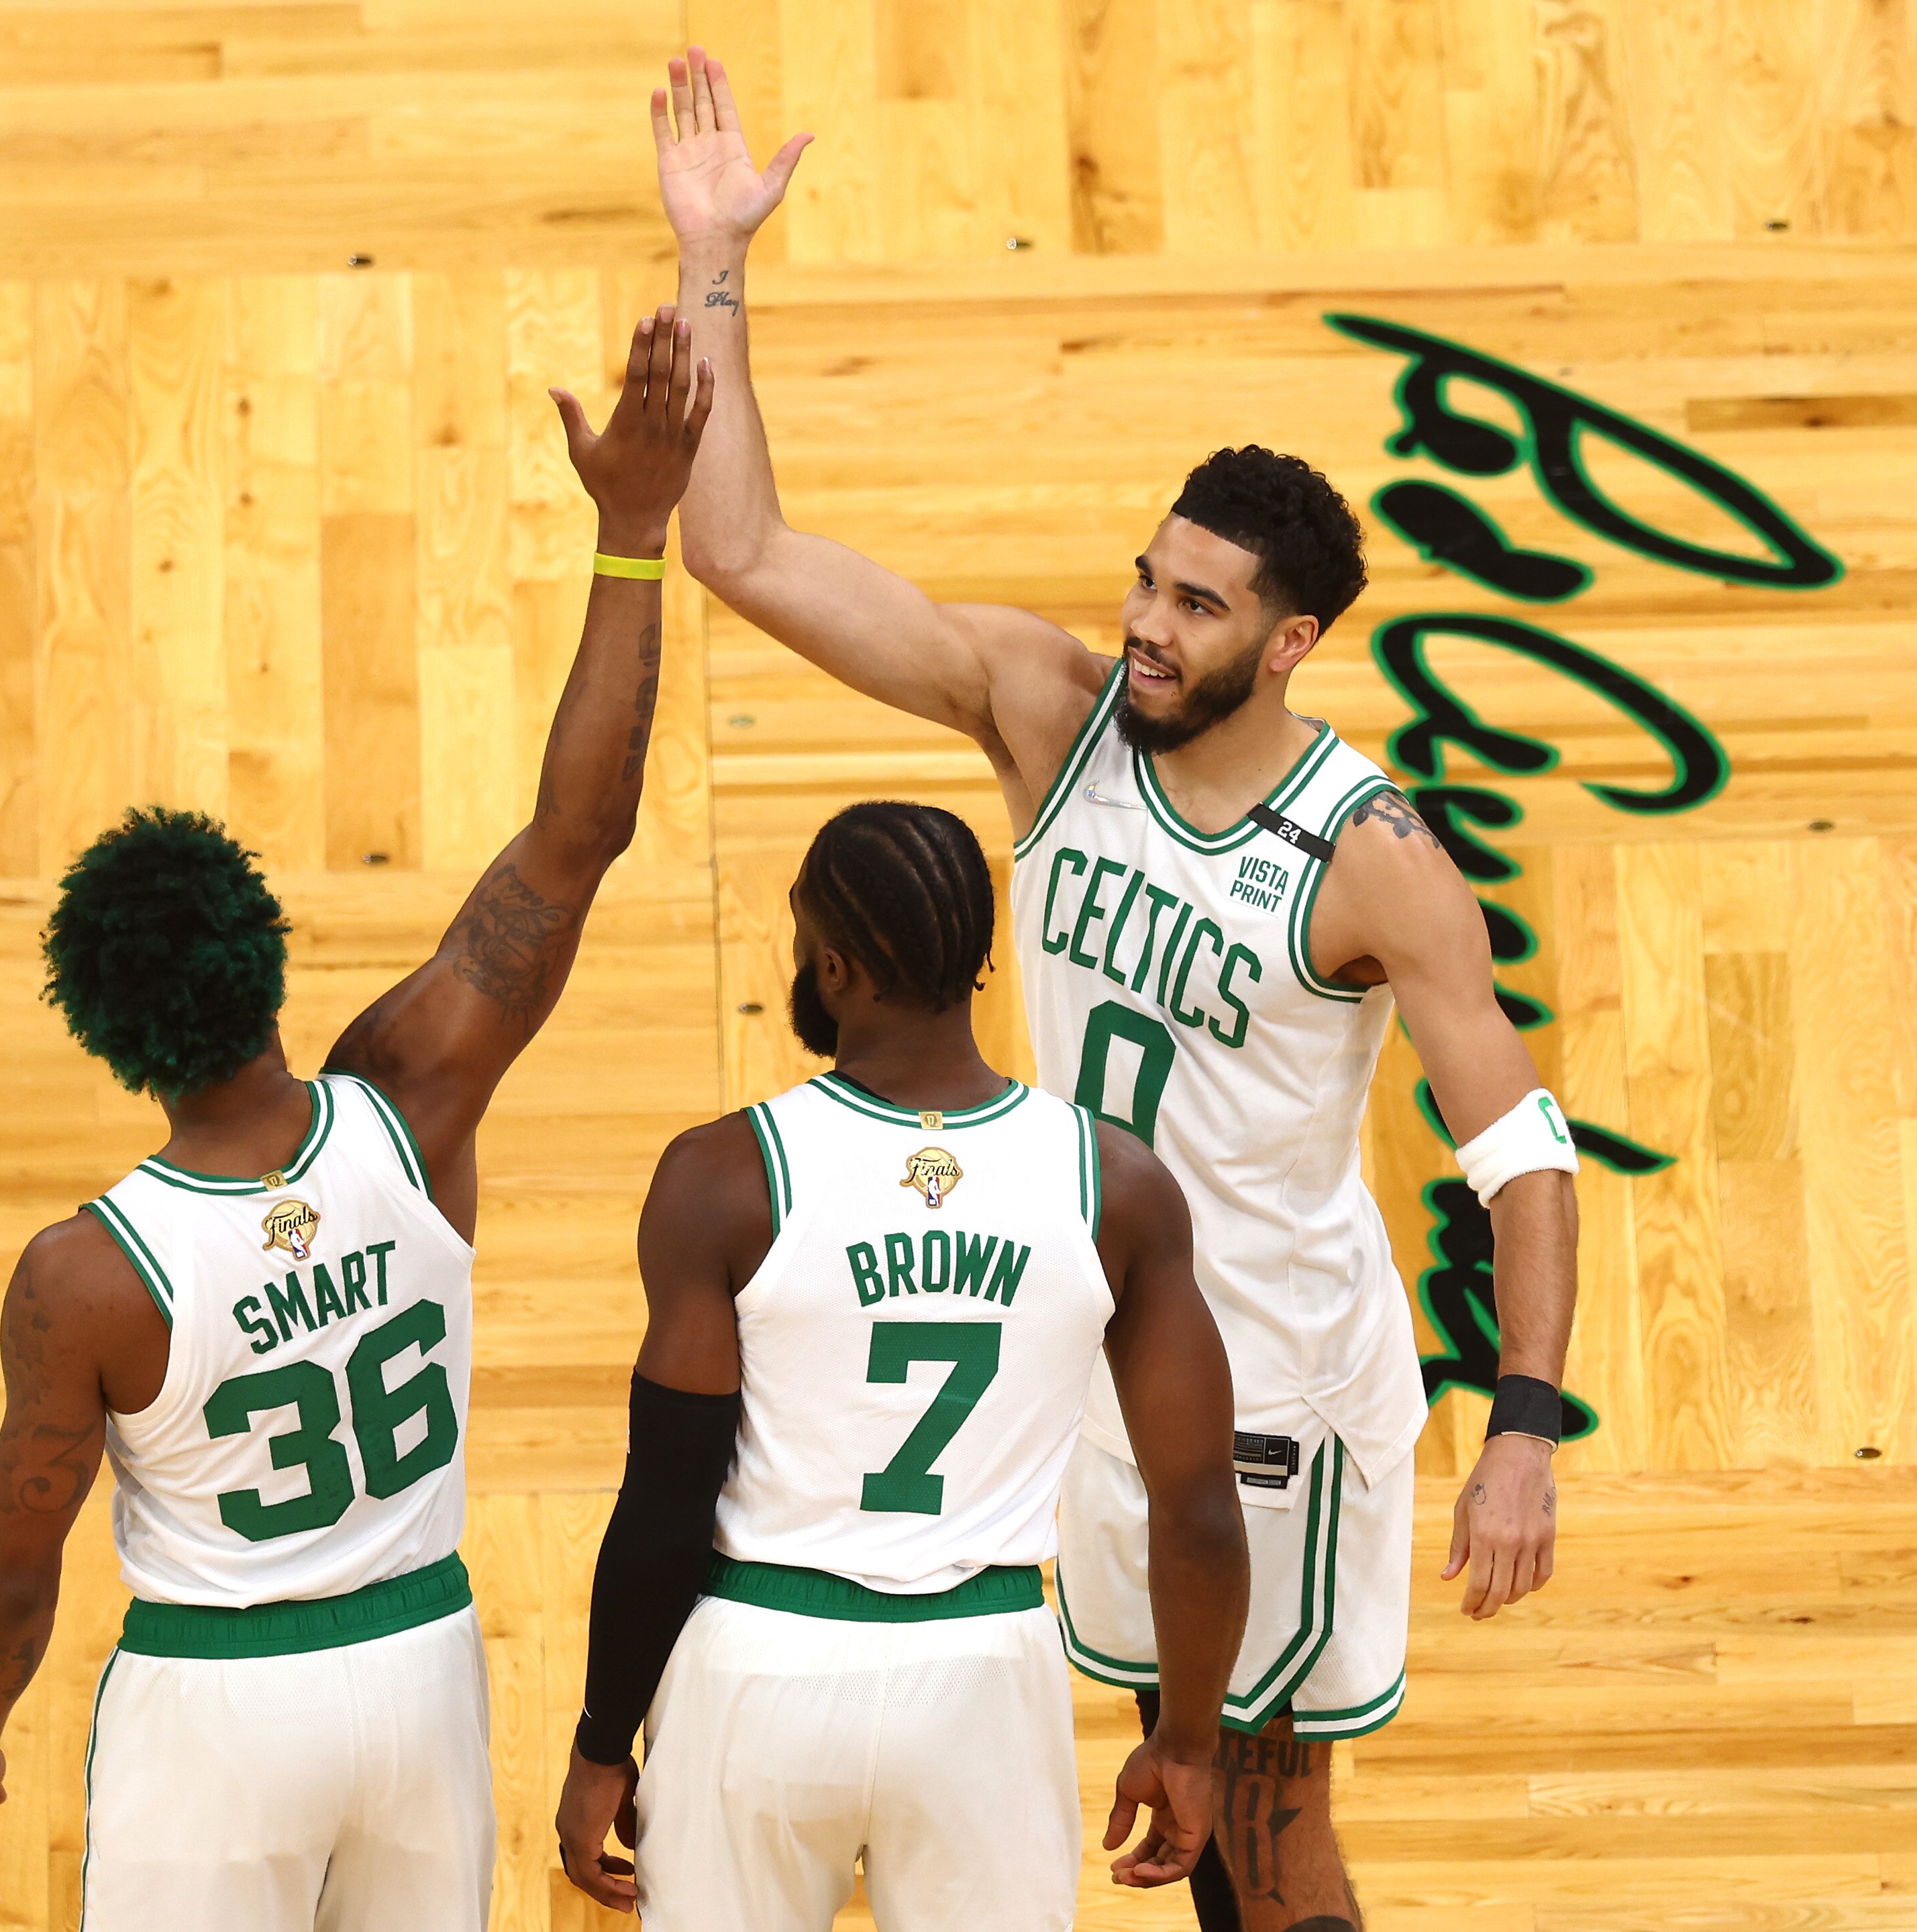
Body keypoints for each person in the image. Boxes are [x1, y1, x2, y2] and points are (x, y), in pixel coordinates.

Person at [649, 51, 1586, 1931]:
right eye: (1150, 583)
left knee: (1265, 1829)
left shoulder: (1369, 860)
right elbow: (739, 553)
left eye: (1200, 608)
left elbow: (1525, 1155)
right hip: (1087, 1337)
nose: (1150, 626)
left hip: (1272, 1383)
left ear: (1292, 640)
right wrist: (715, 265)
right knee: (1178, 1804)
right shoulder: (1051, 713)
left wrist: (1524, 1436)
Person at [0, 309, 715, 1929]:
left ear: (105, 1030)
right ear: (266, 953)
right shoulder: (412, 1102)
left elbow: (18, 1553)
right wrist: (633, 531)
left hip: (218, 1714)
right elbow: (576, 839)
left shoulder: (90, 1276)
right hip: (421, 1676)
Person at [552, 801, 1249, 1931]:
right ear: (976, 956)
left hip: (760, 1667)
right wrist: (1187, 1741)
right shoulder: (1115, 1185)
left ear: (831, 967)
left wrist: (601, 1741)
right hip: (986, 1678)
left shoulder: (724, 1177)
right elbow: (1201, 1508)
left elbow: (667, 1501)